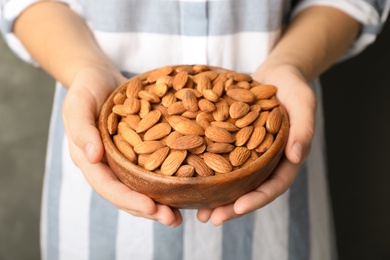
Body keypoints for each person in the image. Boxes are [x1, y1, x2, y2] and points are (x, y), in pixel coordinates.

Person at [1, 1, 388, 259]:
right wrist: (83, 67)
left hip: (274, 204)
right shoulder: (138, 118)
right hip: (101, 201)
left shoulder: (241, 116)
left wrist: (292, 64)